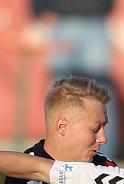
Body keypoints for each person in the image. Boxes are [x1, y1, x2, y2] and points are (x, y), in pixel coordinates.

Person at [31, 0, 119, 158]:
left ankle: (103, 159)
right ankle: (56, 155)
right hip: (60, 21)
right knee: (59, 93)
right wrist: (40, 10)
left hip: (96, 21)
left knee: (100, 93)